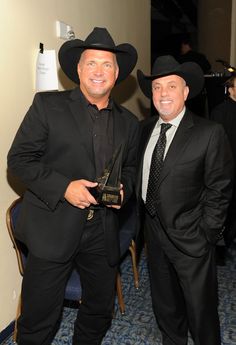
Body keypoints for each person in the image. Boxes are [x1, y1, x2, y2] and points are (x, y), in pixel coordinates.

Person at [7, 27, 139, 345]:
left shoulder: (130, 122)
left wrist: (125, 190)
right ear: (78, 69)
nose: (98, 71)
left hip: (102, 229)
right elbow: (19, 160)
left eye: (107, 64)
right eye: (90, 62)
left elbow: (132, 169)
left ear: (117, 72)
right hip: (53, 225)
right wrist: (64, 187)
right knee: (39, 318)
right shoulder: (46, 106)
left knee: (98, 308)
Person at [136, 55, 233, 345]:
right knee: (165, 305)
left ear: (186, 91)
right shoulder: (144, 130)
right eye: (157, 87)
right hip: (153, 234)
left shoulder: (209, 132)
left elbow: (220, 187)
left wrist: (207, 234)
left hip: (193, 238)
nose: (163, 94)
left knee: (201, 311)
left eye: (171, 86)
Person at [211, 75, 236, 264]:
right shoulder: (220, 112)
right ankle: (219, 250)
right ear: (231, 89)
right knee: (224, 212)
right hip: (226, 171)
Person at [177, 35, 211, 117]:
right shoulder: (200, 57)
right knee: (199, 114)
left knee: (185, 114)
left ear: (185, 45)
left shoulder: (181, 58)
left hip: (185, 91)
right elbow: (208, 67)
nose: (181, 49)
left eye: (182, 46)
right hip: (199, 90)